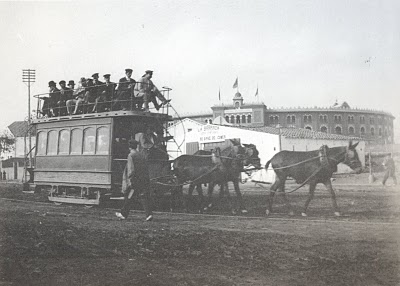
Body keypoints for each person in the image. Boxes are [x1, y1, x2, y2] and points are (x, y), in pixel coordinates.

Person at [115, 139, 153, 221]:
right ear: (136, 146)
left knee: (130, 197)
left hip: (135, 179)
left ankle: (123, 214)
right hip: (143, 178)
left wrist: (130, 179)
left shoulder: (131, 155)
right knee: (143, 196)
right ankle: (149, 214)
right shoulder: (141, 155)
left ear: (129, 147)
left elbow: (131, 169)